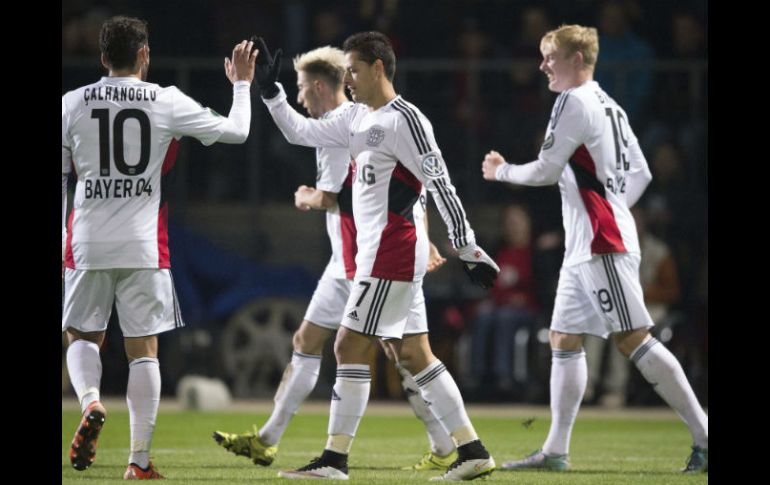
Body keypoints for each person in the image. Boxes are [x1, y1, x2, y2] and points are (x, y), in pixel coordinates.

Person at [253, 32, 499, 480]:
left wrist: (467, 248)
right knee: (413, 355)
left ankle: (334, 460)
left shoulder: (406, 119)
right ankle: (472, 450)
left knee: (350, 345)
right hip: (378, 253)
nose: (347, 77)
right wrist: (271, 94)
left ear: (378, 67)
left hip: (392, 249)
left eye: (353, 69)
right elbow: (301, 131)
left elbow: (440, 184)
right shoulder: (353, 117)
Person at [211, 45, 458, 472]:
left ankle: (440, 446)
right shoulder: (353, 120)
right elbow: (395, 185)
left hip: (369, 260)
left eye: (303, 88)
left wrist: (314, 196)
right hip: (351, 261)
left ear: (323, 86)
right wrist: (269, 93)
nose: (302, 96)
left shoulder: (360, 123)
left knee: (401, 353)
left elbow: (372, 191)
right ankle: (271, 439)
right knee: (313, 341)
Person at [481, 24, 707, 474]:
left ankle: (704, 434)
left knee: (632, 339)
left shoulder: (572, 101)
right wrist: (613, 208)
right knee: (565, 338)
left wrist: (503, 171)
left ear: (577, 59)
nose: (543, 65)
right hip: (589, 242)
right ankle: (555, 451)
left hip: (602, 244)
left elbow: (546, 170)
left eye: (551, 57)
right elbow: (641, 173)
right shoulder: (611, 106)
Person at [62, 15, 257, 480]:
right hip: (144, 243)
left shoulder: (71, 104)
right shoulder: (166, 101)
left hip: (86, 239)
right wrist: (243, 85)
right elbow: (237, 132)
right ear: (145, 55)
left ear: (103, 57)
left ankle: (90, 401)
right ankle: (139, 462)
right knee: (143, 351)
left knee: (81, 336)